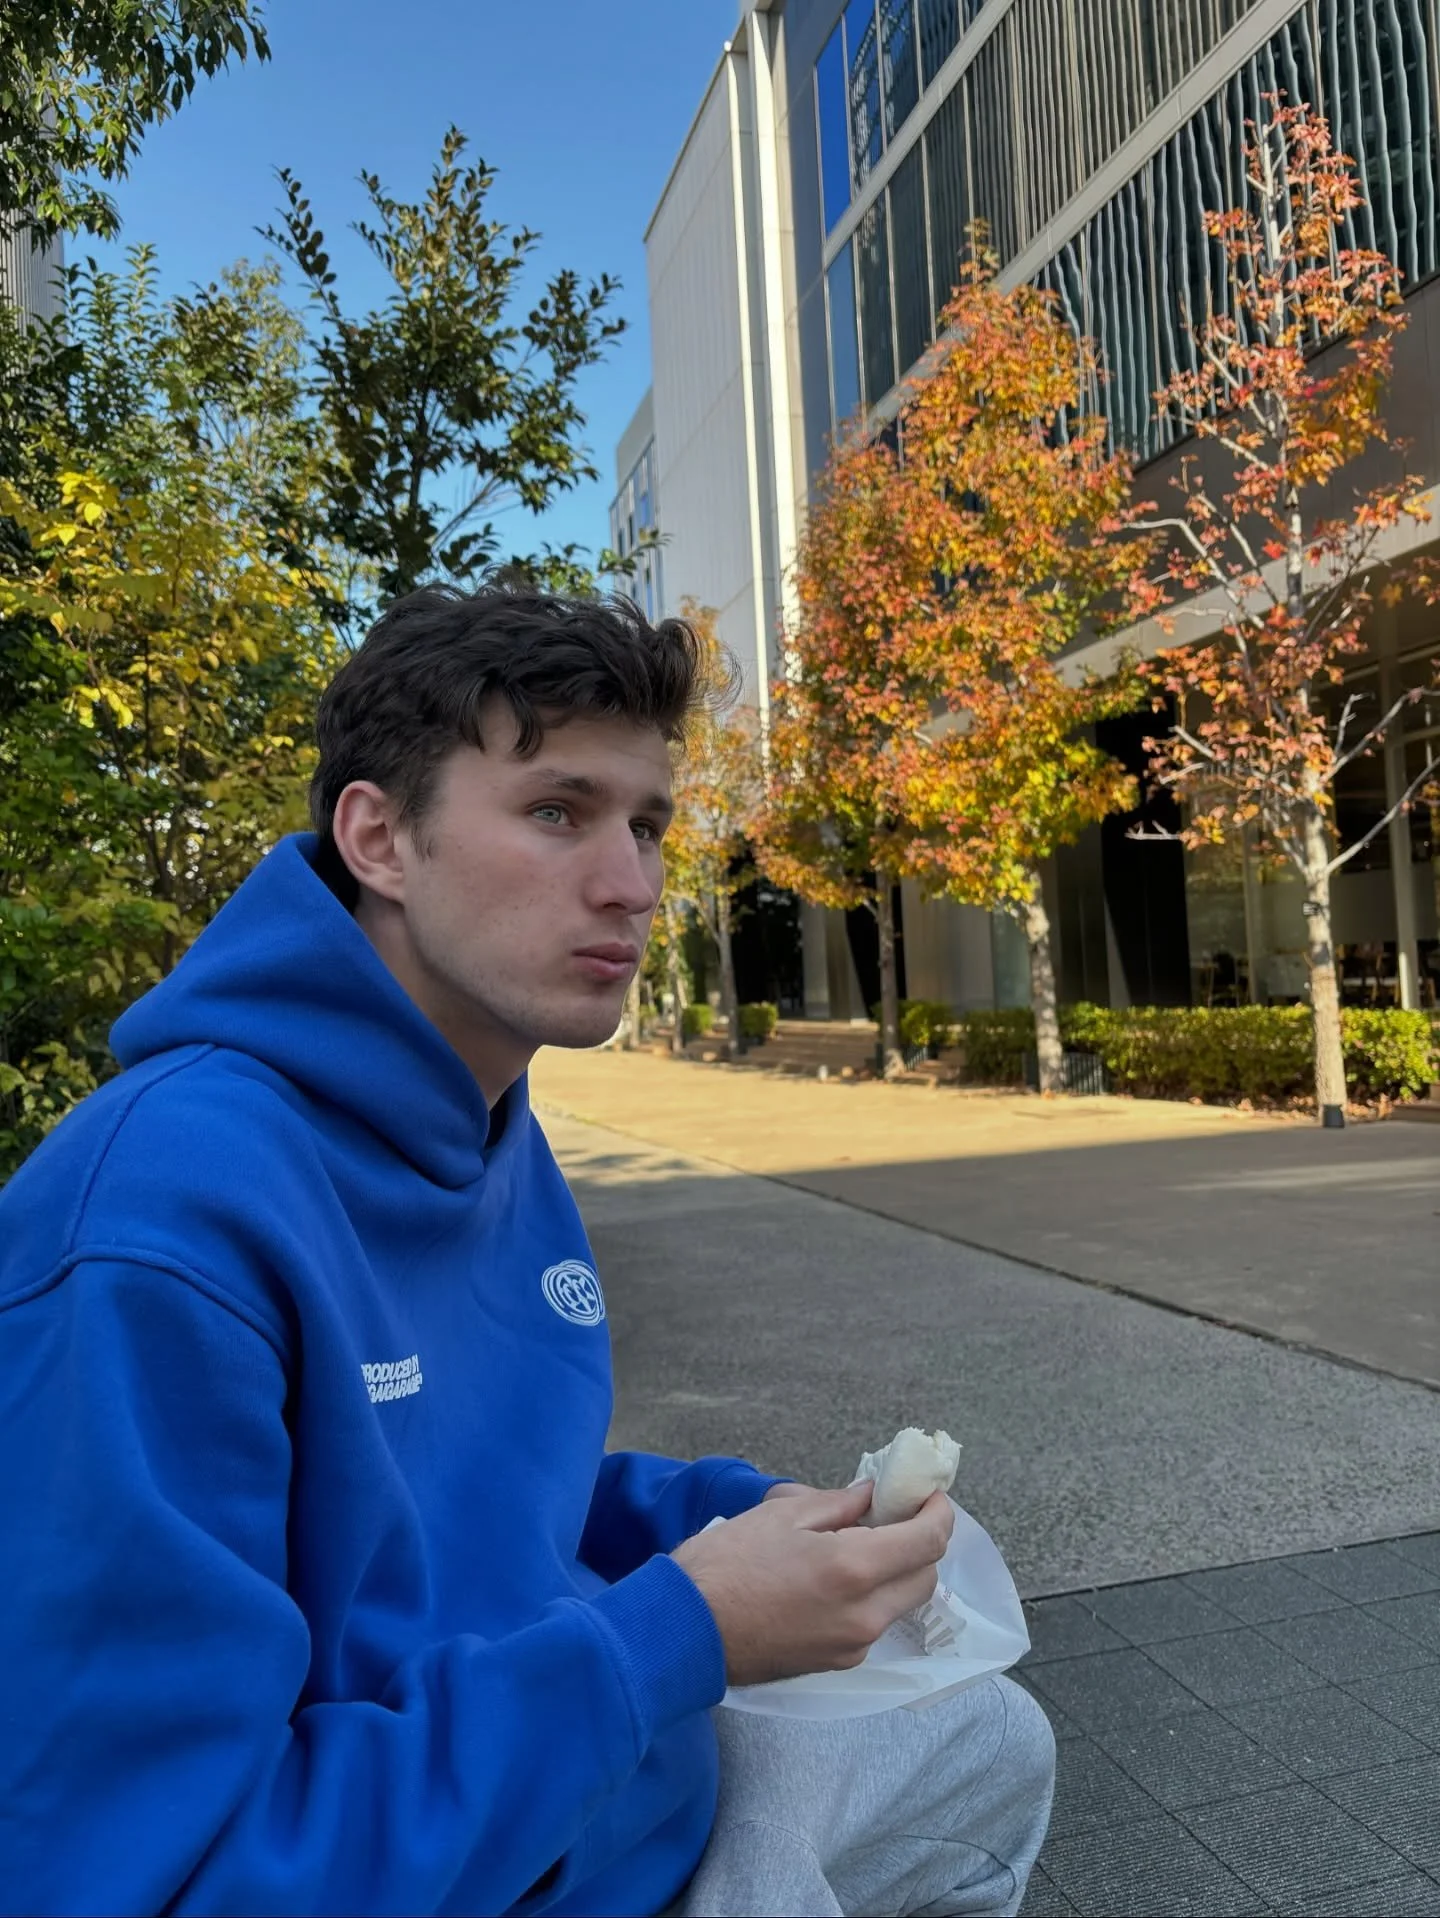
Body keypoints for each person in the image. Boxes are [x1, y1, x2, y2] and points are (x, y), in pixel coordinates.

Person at [0, 585, 1053, 1916]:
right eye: (558, 812)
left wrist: (722, 1521)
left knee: (986, 1743)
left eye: (647, 824)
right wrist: (681, 1628)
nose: (633, 884)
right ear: (380, 837)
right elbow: (164, 1877)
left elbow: (459, 1490)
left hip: (598, 1795)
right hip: (460, 1870)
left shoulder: (487, 1115)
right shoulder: (154, 1231)